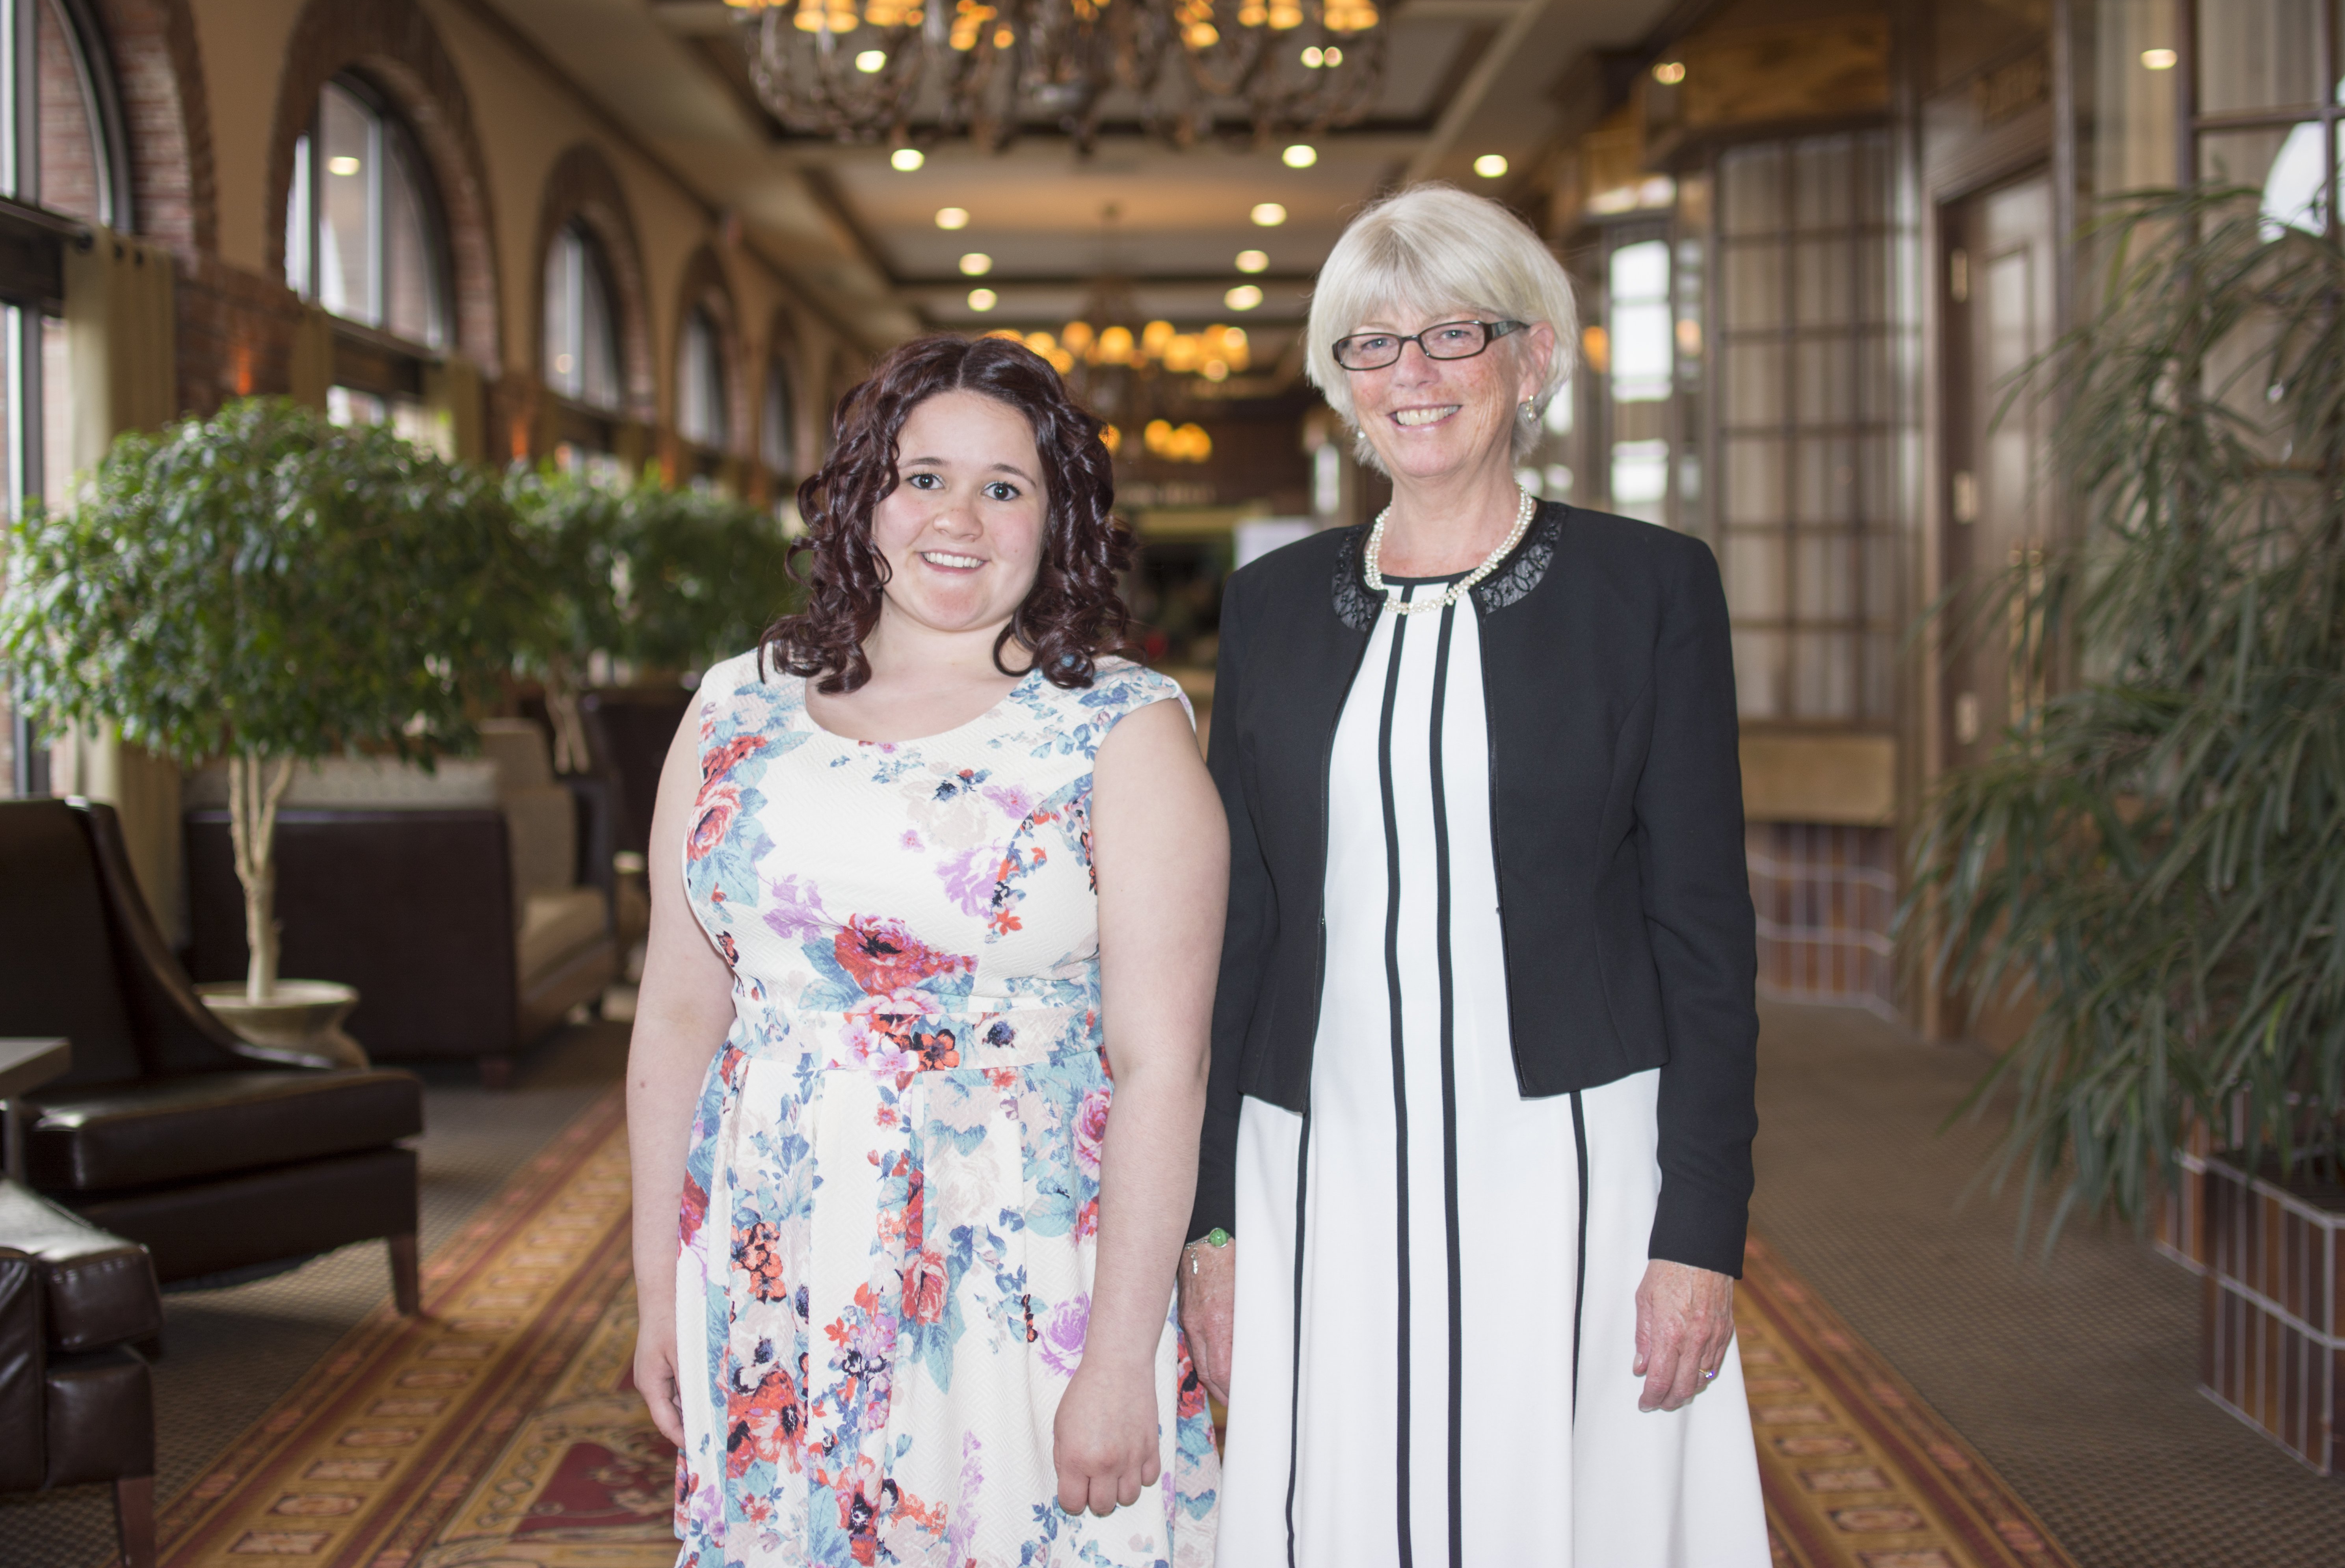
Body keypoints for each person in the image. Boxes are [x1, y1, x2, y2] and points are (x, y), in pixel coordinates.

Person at [1179, 183, 1772, 1567]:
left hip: (1566, 1160)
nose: (1414, 376)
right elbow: (1242, 928)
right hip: (1312, 1156)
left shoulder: (1650, 589)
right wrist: (1210, 1225)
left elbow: (1704, 936)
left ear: (1534, 358)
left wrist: (1703, 1232)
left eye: (1453, 334)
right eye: (1371, 346)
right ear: (1341, 383)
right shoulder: (1271, 606)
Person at [628, 334, 1226, 1567]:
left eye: (1006, 488)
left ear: (1057, 524)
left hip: (1021, 1272)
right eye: (924, 477)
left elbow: (1165, 1064)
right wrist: (656, 1292)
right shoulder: (732, 708)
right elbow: (680, 1015)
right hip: (778, 1246)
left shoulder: (1122, 727)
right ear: (862, 500)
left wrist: (1119, 1360)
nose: (961, 517)